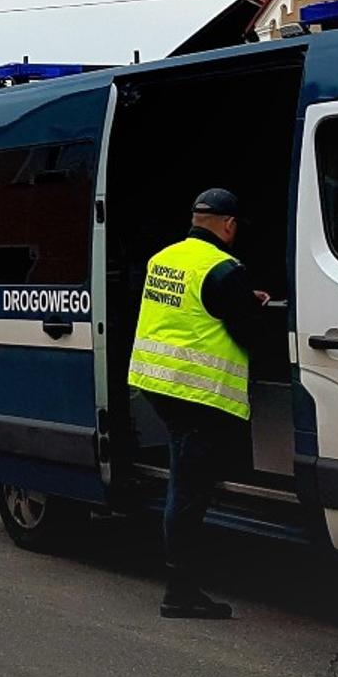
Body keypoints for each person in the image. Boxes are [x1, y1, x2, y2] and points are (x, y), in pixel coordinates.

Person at [128, 188, 269, 620]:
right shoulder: (224, 269)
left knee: (188, 478)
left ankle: (185, 578)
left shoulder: (163, 258)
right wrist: (253, 306)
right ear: (228, 225)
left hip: (158, 384)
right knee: (186, 491)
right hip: (196, 392)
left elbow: (190, 313)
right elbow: (248, 333)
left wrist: (244, 300)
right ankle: (179, 591)